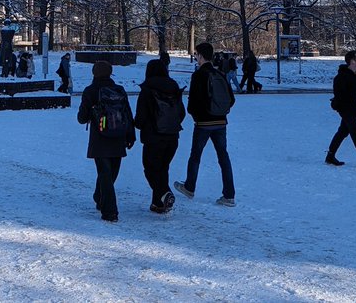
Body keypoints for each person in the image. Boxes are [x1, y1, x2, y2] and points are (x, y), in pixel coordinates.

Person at [173, 42, 237, 207]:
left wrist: (196, 114)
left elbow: (193, 102)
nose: (196, 57)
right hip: (221, 122)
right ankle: (229, 195)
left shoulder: (199, 75)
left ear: (200, 56)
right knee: (223, 157)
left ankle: (189, 187)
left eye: (196, 54)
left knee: (195, 156)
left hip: (203, 123)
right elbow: (232, 99)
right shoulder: (220, 74)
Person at [76, 61, 135, 222]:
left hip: (100, 139)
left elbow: (81, 118)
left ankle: (109, 211)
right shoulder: (119, 90)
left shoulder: (90, 91)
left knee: (104, 174)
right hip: (118, 137)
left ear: (94, 73)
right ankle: (100, 197)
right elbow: (128, 114)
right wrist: (131, 135)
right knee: (110, 174)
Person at [134, 59, 185, 214]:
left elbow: (140, 118)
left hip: (153, 137)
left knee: (150, 169)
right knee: (163, 169)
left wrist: (138, 124)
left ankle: (164, 194)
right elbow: (181, 113)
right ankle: (158, 203)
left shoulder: (147, 89)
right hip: (172, 135)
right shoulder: (174, 87)